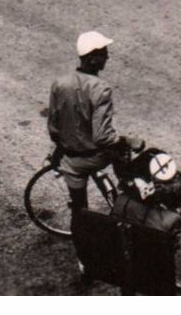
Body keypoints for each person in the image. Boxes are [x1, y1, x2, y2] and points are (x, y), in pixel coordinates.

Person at [47, 31, 138, 217]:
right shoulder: (100, 88)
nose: (107, 57)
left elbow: (54, 128)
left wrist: (59, 153)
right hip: (92, 157)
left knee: (80, 211)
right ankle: (129, 197)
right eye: (103, 53)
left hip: (70, 160)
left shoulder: (59, 83)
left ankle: (81, 225)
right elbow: (102, 136)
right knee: (122, 151)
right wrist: (127, 141)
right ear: (92, 59)